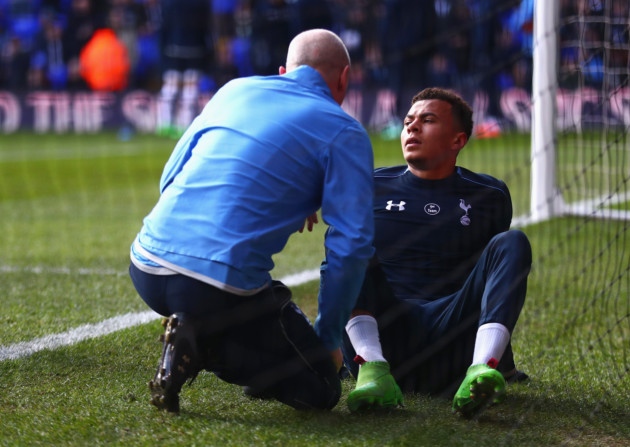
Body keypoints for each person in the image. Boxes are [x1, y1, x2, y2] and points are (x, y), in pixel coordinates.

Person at [129, 28, 375, 413]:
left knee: (254, 305)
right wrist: (328, 340)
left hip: (145, 266)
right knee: (321, 388)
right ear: (344, 77)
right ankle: (202, 346)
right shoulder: (344, 131)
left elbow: (170, 175)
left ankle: (196, 331)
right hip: (213, 286)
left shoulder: (234, 90)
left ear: (283, 72)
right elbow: (352, 244)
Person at [341, 87, 532, 417]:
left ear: (458, 140)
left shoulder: (489, 194)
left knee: (512, 242)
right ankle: (372, 370)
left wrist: (506, 362)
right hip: (387, 337)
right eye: (408, 121)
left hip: (451, 341)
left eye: (427, 120)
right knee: (345, 240)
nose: (412, 128)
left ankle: (482, 368)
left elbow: (496, 282)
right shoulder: (368, 185)